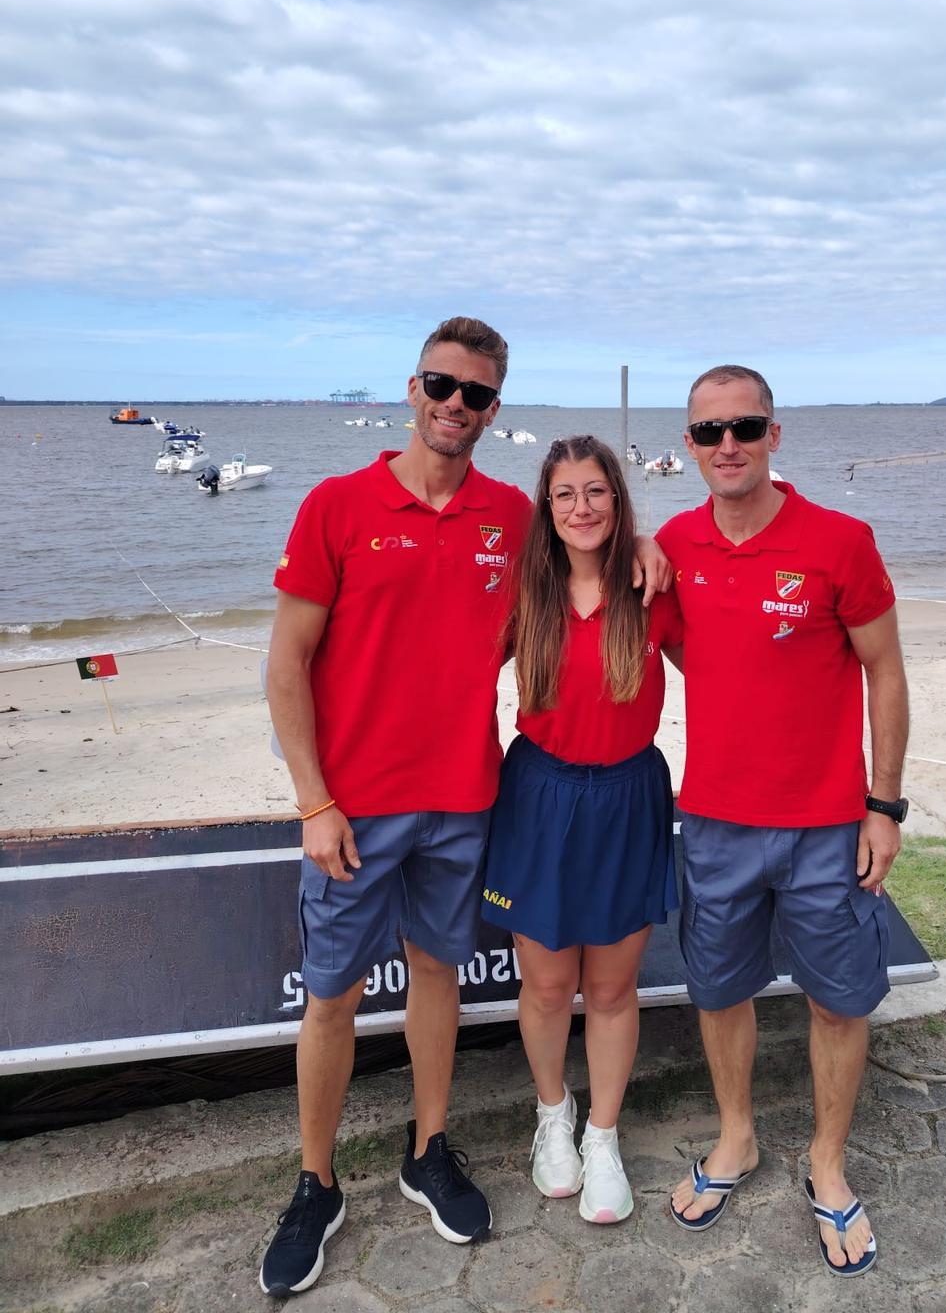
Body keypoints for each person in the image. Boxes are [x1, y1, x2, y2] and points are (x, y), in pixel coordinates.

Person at [259, 322, 670, 1298]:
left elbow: (590, 550)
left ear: (493, 409)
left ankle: (428, 1149)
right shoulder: (338, 504)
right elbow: (286, 667)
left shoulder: (509, 517)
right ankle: (315, 1182)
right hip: (352, 807)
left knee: (437, 973)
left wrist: (648, 543)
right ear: (414, 388)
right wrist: (313, 799)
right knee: (333, 995)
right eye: (443, 384)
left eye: (477, 394)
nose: (457, 403)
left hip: (463, 801)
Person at [658, 364, 908, 1278]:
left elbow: (885, 670)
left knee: (839, 998)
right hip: (716, 822)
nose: (729, 445)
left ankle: (828, 1162)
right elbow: (681, 644)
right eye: (710, 432)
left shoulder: (841, 541)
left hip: (828, 825)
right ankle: (738, 1139)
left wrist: (883, 805)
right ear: (688, 446)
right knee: (718, 990)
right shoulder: (676, 543)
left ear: (774, 435)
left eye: (745, 427)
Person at [481, 436, 683, 1225]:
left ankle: (604, 1135)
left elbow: (735, 664)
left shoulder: (651, 586)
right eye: (565, 495)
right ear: (547, 507)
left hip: (630, 796)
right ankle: (552, 1117)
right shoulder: (524, 593)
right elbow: (442, 665)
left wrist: (649, 541)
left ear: (617, 498)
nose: (582, 508)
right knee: (548, 984)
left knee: (609, 987)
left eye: (595, 491)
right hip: (539, 795)